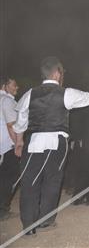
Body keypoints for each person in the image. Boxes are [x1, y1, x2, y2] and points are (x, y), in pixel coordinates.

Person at [12, 57, 89, 235]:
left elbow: (20, 122)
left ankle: (29, 226)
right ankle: (46, 220)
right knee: (52, 182)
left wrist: (19, 142)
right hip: (57, 142)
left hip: (34, 142)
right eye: (61, 73)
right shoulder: (65, 93)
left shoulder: (30, 93)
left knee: (30, 182)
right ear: (56, 73)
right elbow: (88, 98)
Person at [0, 76, 20, 221]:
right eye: (13, 85)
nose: (16, 87)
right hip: (8, 145)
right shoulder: (7, 101)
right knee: (10, 178)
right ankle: (3, 209)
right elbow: (11, 125)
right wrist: (18, 144)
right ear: (4, 86)